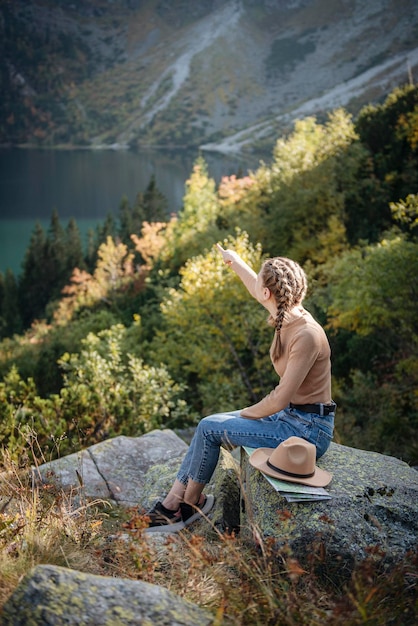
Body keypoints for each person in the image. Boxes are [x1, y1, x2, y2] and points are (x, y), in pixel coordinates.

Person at [144, 243, 335, 532]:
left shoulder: (306, 334)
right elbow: (256, 287)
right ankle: (174, 503)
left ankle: (187, 507)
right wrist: (234, 262)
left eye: (261, 283)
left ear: (269, 293)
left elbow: (281, 398)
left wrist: (243, 415)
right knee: (207, 424)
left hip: (307, 428)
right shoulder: (287, 312)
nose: (257, 288)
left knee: (210, 428)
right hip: (290, 418)